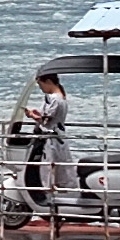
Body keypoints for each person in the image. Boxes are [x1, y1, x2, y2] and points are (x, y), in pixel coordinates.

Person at [25, 69, 80, 215]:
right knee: (57, 169)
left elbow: (46, 120)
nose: (41, 88)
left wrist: (33, 116)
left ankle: (50, 201)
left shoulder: (54, 99)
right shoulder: (60, 98)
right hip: (57, 137)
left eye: (41, 84)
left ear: (48, 82)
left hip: (51, 140)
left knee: (48, 171)